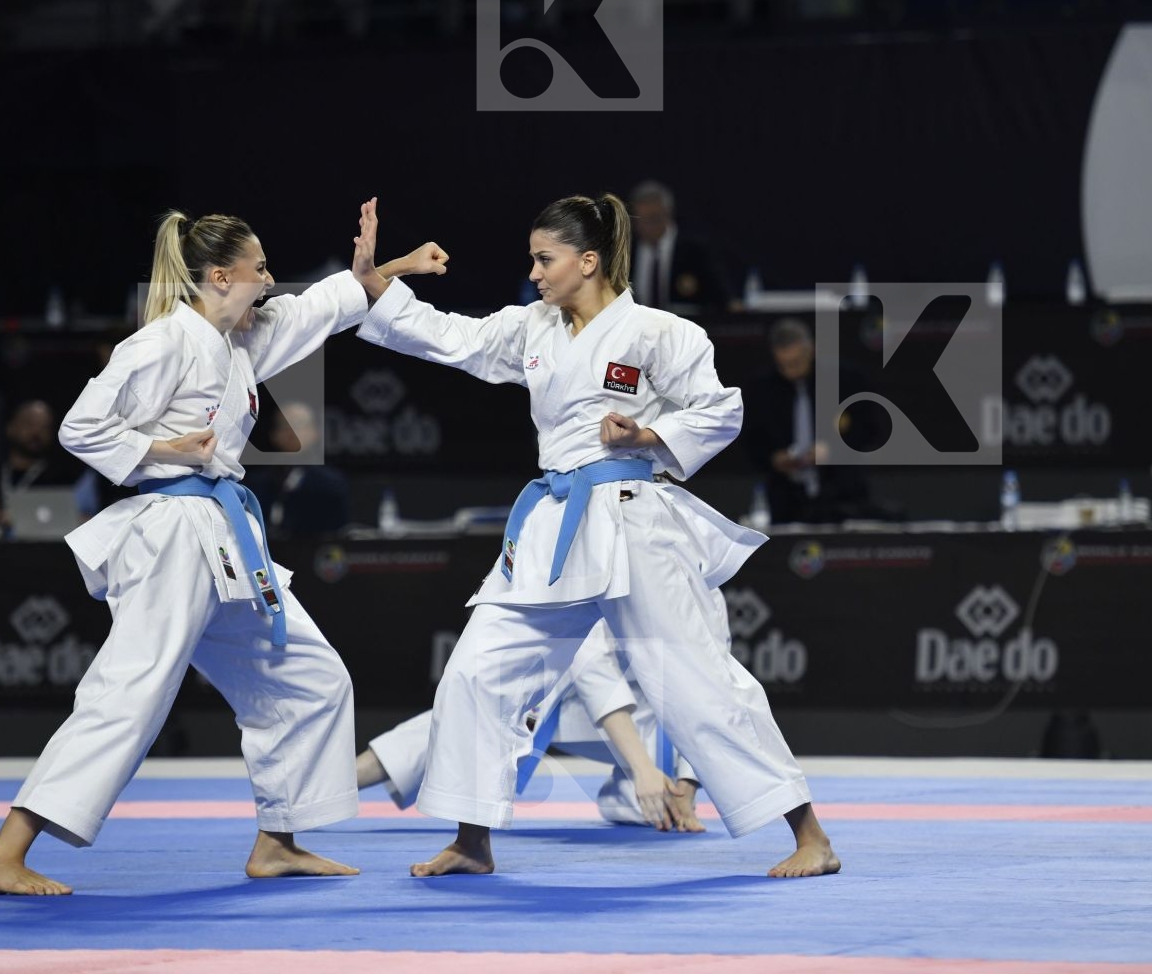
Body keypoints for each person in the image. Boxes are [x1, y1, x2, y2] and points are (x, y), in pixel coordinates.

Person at [354, 194, 839, 879]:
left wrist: (648, 434)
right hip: (555, 519)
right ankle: (473, 838)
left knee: (698, 681)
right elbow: (451, 337)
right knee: (476, 671)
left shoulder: (659, 334)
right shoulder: (532, 329)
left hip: (635, 516)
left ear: (588, 262)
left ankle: (810, 835)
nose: (534, 272)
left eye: (544, 259)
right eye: (532, 259)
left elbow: (718, 410)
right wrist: (377, 285)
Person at [0, 205, 386, 895]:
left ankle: (278, 841)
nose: (270, 278)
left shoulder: (236, 346)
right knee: (131, 691)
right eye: (260, 269)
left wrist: (379, 271)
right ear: (221, 276)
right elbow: (81, 427)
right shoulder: (163, 342)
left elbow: (315, 311)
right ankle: (4, 854)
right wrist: (161, 448)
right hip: (170, 535)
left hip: (221, 540)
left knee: (308, 676)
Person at [359, 620, 706, 832]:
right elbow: (594, 669)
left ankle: (629, 789)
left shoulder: (706, 599)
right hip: (569, 692)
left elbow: (706, 691)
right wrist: (642, 768)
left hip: (651, 720)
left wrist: (687, 789)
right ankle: (340, 779)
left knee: (655, 811)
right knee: (468, 716)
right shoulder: (610, 568)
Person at [742, 318, 890, 525]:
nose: (791, 371)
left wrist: (832, 450)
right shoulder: (761, 389)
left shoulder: (846, 380)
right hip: (786, 499)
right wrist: (774, 458)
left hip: (843, 494)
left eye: (796, 362)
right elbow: (751, 440)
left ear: (811, 349)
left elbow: (872, 429)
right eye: (784, 365)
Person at [0, 400, 78, 538]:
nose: (36, 432)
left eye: (45, 427)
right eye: (29, 424)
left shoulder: (64, 481)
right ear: (10, 428)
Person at [241, 401, 351, 536]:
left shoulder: (332, 484)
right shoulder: (255, 484)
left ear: (315, 432)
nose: (291, 432)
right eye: (284, 426)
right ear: (274, 435)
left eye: (299, 425)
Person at [628, 180, 734, 314]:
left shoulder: (695, 251)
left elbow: (723, 297)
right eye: (641, 220)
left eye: (653, 219)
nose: (647, 226)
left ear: (667, 214)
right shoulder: (626, 253)